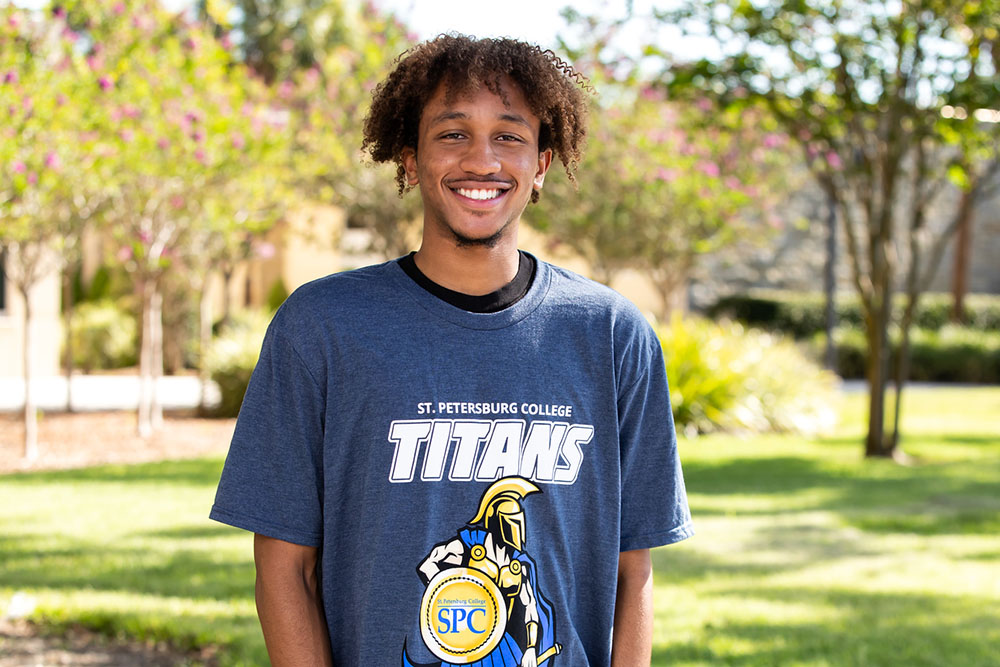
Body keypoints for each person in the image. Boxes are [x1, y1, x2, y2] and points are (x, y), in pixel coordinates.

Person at [210, 34, 693, 666]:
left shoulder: (611, 334)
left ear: (542, 164)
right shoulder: (322, 327)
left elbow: (635, 572)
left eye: (510, 137)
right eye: (453, 134)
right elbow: (283, 568)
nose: (482, 161)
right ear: (409, 160)